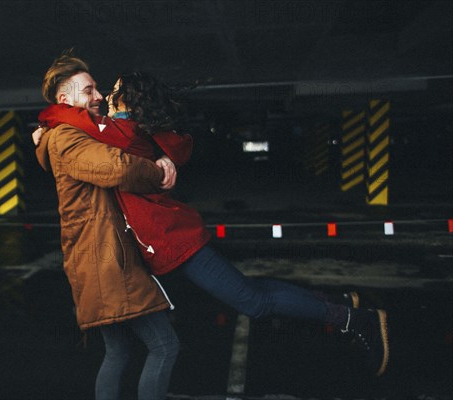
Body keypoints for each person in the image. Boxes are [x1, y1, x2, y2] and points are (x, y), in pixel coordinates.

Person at [34, 70, 390, 378]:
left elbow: (82, 136)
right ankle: (336, 300)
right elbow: (109, 142)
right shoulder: (129, 133)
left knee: (254, 304)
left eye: (112, 91)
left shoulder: (123, 133)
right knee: (250, 290)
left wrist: (46, 132)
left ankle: (354, 319)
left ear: (127, 100)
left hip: (178, 243)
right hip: (173, 240)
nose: (104, 97)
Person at [34, 52, 180, 400]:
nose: (99, 96)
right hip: (106, 262)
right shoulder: (67, 137)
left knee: (119, 351)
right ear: (65, 100)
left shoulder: (67, 132)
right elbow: (118, 168)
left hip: (98, 258)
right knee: (164, 345)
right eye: (89, 90)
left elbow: (117, 141)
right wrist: (160, 169)